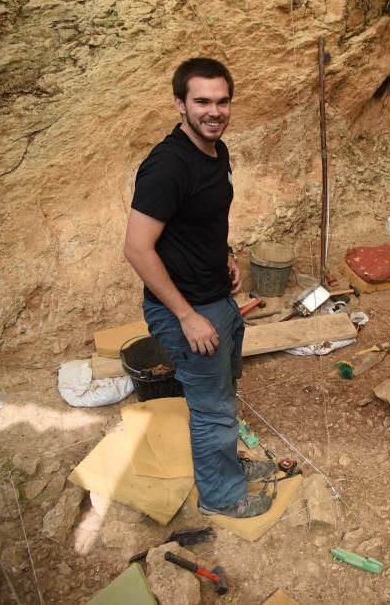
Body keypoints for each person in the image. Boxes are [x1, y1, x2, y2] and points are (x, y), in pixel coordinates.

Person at [124, 57, 275, 519]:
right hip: (189, 311)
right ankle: (221, 497)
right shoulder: (167, 166)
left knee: (223, 394)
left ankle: (223, 469)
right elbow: (136, 248)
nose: (215, 111)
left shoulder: (217, 150)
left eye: (223, 101)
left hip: (218, 297)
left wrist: (224, 257)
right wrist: (187, 316)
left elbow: (203, 222)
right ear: (180, 104)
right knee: (211, 409)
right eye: (202, 101)